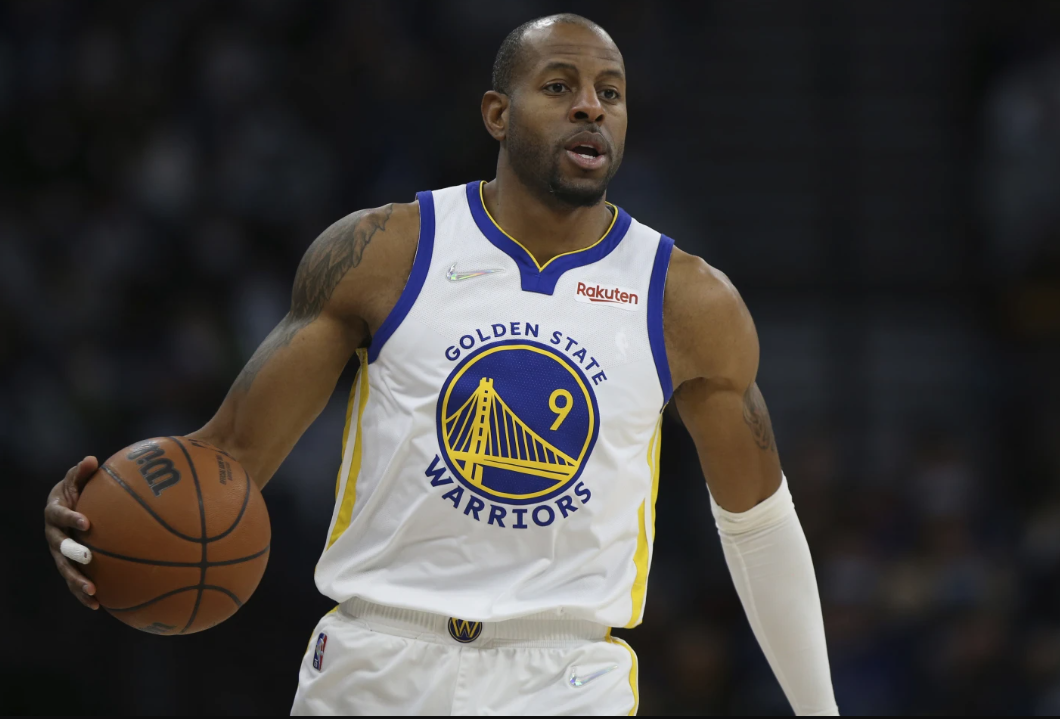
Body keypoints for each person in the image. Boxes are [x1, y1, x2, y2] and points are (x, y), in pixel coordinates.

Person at [43, 13, 837, 716]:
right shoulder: (384, 249)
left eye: (611, 92)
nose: (591, 105)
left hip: (565, 676)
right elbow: (227, 457)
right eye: (559, 85)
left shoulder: (688, 300)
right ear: (497, 113)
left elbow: (760, 528)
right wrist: (97, 522)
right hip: (374, 661)